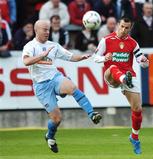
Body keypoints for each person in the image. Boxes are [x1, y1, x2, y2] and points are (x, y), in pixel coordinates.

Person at [22, 20, 102, 153]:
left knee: (72, 87)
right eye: (44, 30)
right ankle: (49, 136)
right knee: (57, 119)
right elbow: (26, 61)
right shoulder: (30, 46)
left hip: (55, 77)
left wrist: (81, 57)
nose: (47, 32)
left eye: (48, 29)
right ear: (36, 31)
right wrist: (41, 55)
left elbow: (70, 57)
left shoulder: (53, 45)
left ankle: (91, 113)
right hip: (41, 87)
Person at [93, 17, 149, 154]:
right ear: (118, 25)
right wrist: (104, 58)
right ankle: (124, 79)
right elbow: (95, 57)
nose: (123, 30)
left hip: (128, 74)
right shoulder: (106, 40)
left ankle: (134, 137)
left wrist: (144, 62)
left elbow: (141, 60)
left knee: (137, 109)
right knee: (112, 66)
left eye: (127, 28)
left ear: (130, 28)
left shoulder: (133, 43)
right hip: (111, 76)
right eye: (122, 26)